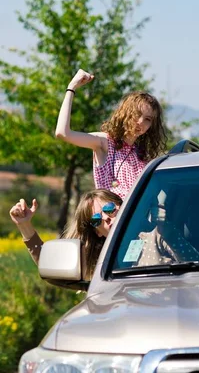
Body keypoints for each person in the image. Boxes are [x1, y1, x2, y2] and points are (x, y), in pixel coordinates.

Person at [55, 69, 168, 198]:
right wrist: (72, 87)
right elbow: (62, 133)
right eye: (137, 114)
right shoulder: (105, 142)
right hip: (111, 217)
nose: (140, 122)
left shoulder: (143, 156)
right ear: (125, 113)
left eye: (148, 119)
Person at [9, 189, 123, 281]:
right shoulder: (105, 264)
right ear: (97, 232)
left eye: (109, 208)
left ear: (122, 205)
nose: (106, 218)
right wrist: (24, 225)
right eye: (96, 220)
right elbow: (50, 262)